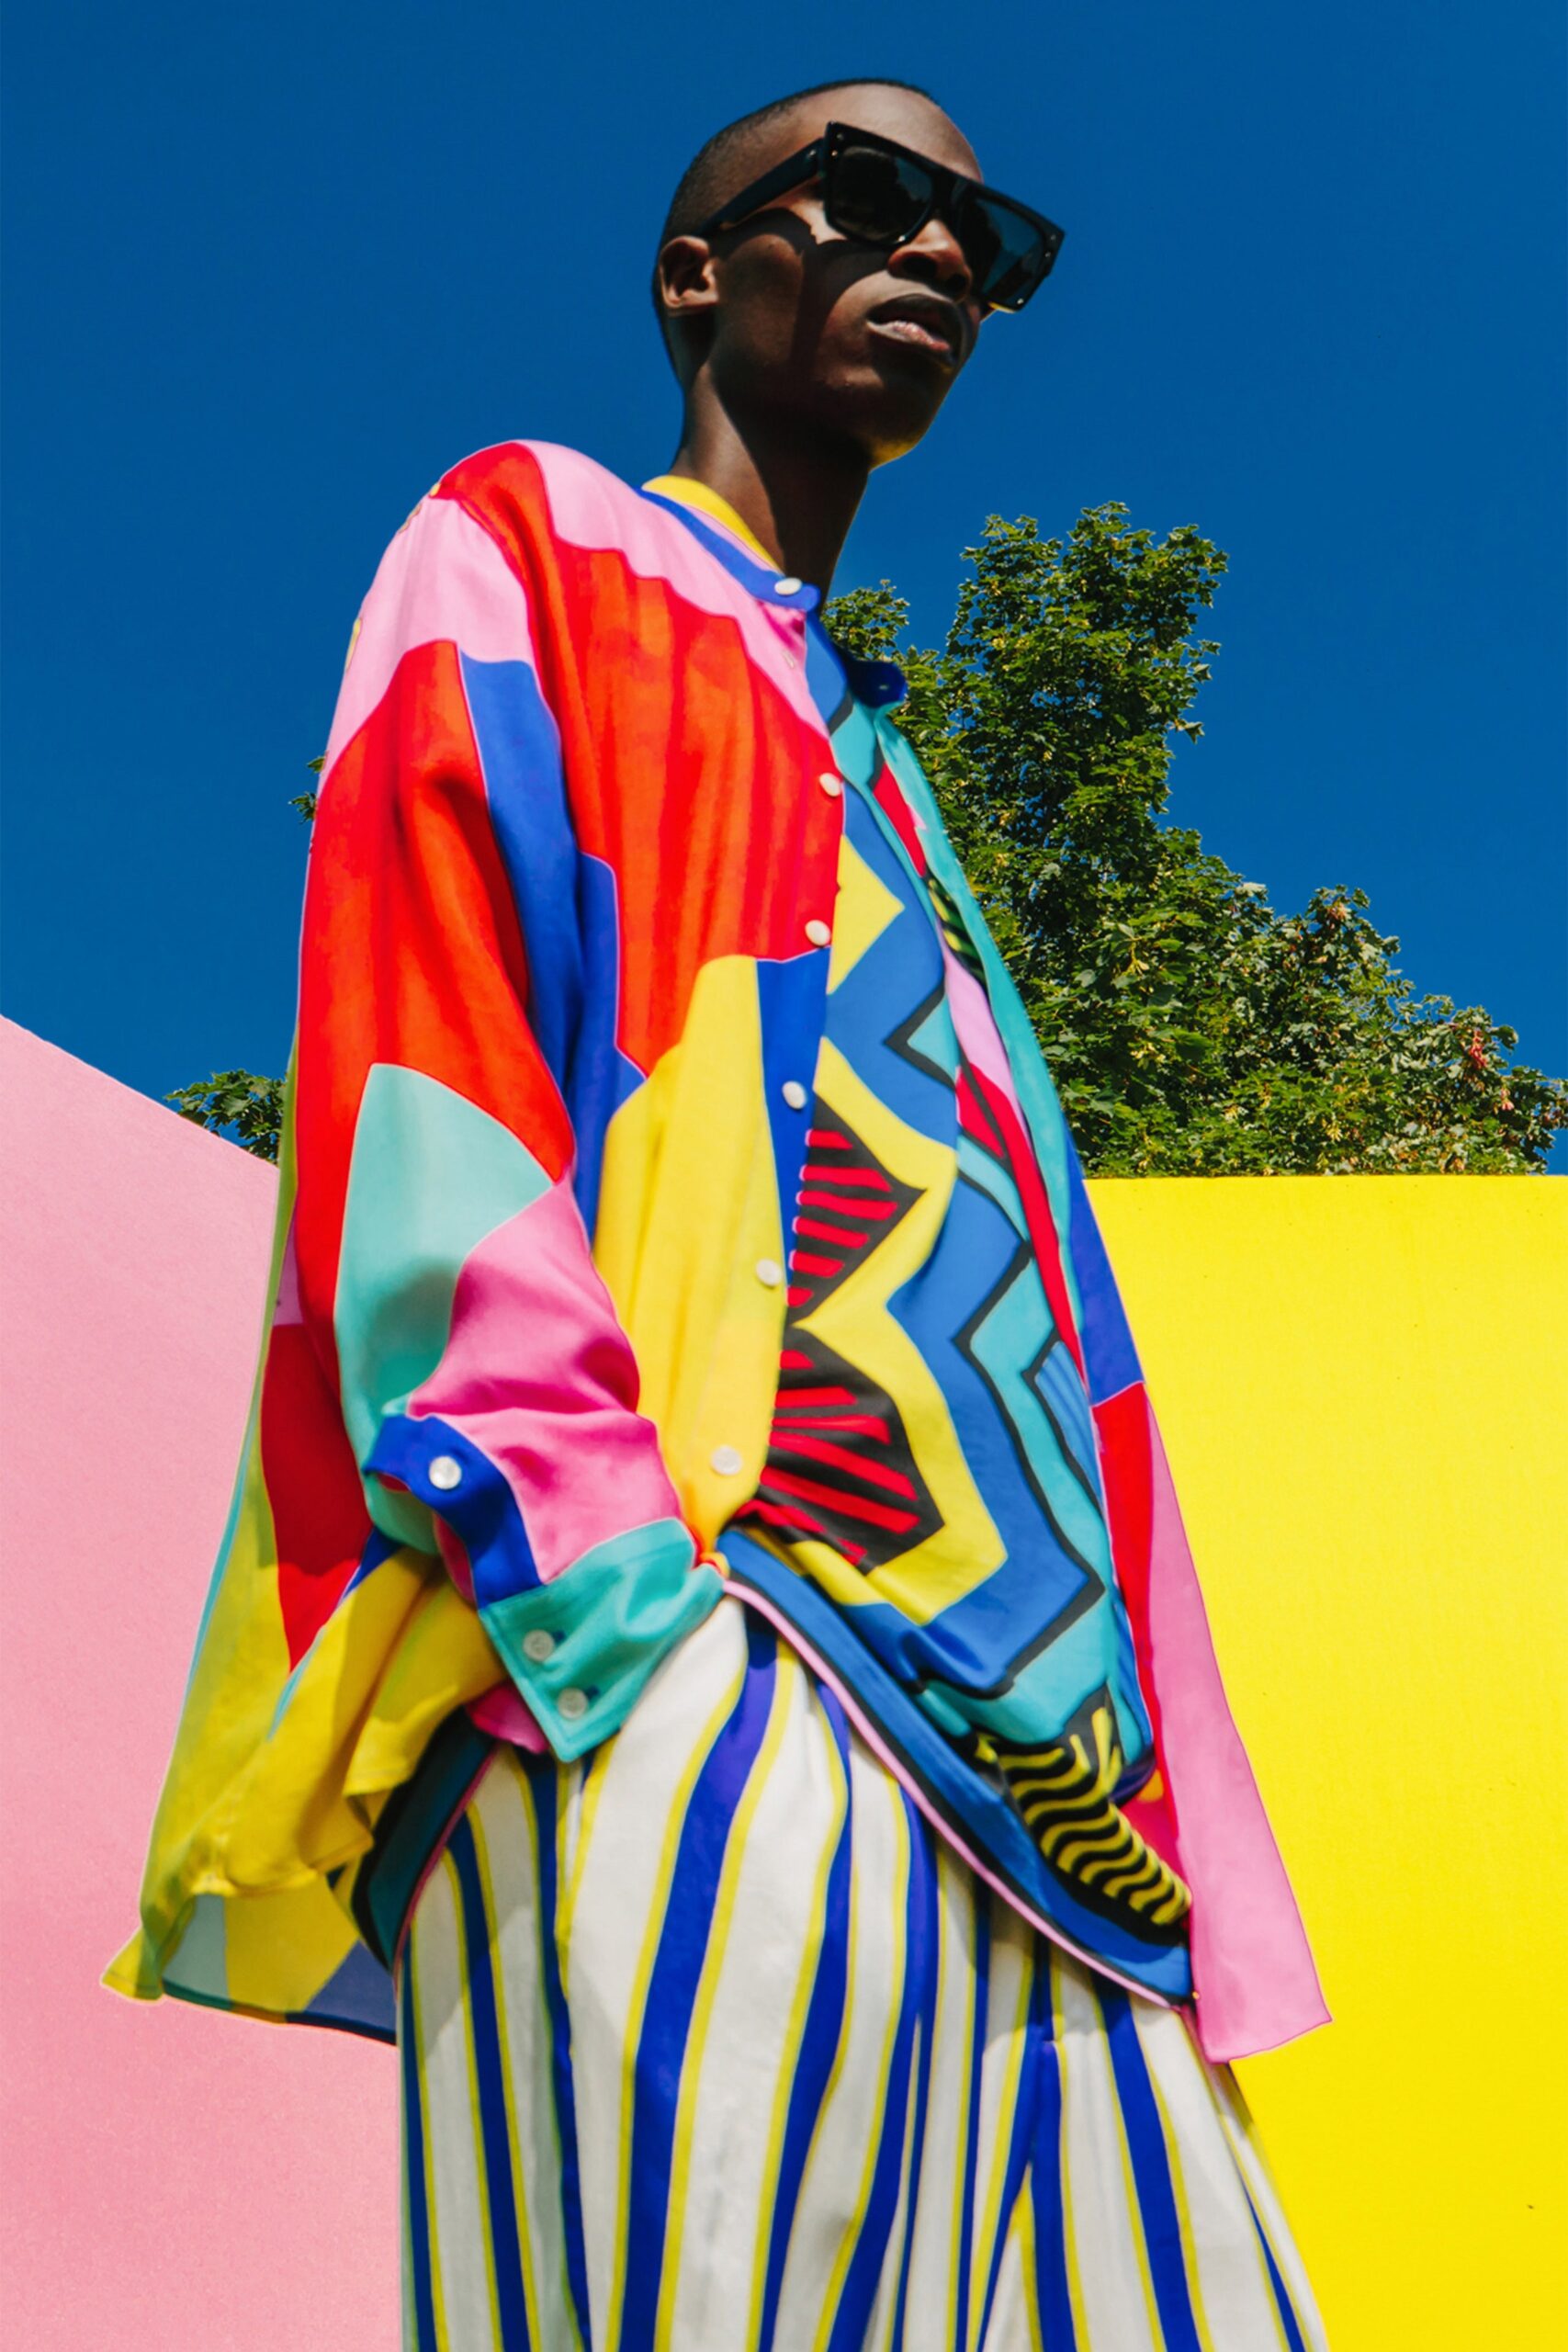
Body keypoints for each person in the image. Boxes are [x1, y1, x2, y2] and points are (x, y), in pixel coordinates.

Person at [110, 77, 1331, 2350]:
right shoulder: (532, 538)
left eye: (985, 233)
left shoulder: (891, 775)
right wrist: (611, 1617)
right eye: (869, 196)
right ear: (698, 271)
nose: (939, 251)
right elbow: (423, 1038)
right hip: (710, 1666)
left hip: (1075, 1829)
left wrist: (1174, 1814)